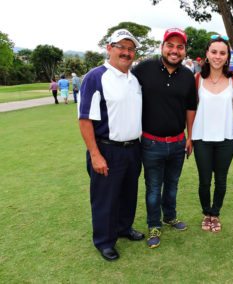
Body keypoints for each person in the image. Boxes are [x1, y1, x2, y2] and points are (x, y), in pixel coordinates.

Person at [78, 29, 144, 261]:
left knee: (128, 193)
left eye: (130, 49)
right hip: (107, 148)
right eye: (121, 47)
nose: (126, 52)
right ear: (109, 48)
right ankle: (104, 241)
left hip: (133, 148)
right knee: (105, 198)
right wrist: (95, 154)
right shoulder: (96, 77)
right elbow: (85, 119)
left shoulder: (134, 79)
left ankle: (124, 228)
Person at [132, 28, 197, 249]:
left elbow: (190, 107)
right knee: (153, 188)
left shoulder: (188, 75)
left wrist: (190, 137)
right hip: (151, 143)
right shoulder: (144, 69)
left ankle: (170, 216)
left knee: (172, 185)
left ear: (184, 51)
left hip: (178, 142)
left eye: (180, 47)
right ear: (162, 47)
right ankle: (153, 225)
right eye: (170, 45)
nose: (174, 50)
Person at [192, 35, 233, 233]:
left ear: (227, 56)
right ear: (207, 55)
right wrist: (188, 136)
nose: (217, 56)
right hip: (201, 138)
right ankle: (206, 213)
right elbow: (191, 109)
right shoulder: (197, 79)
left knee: (221, 180)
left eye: (222, 52)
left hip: (226, 138)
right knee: (204, 180)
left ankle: (215, 214)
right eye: (214, 52)